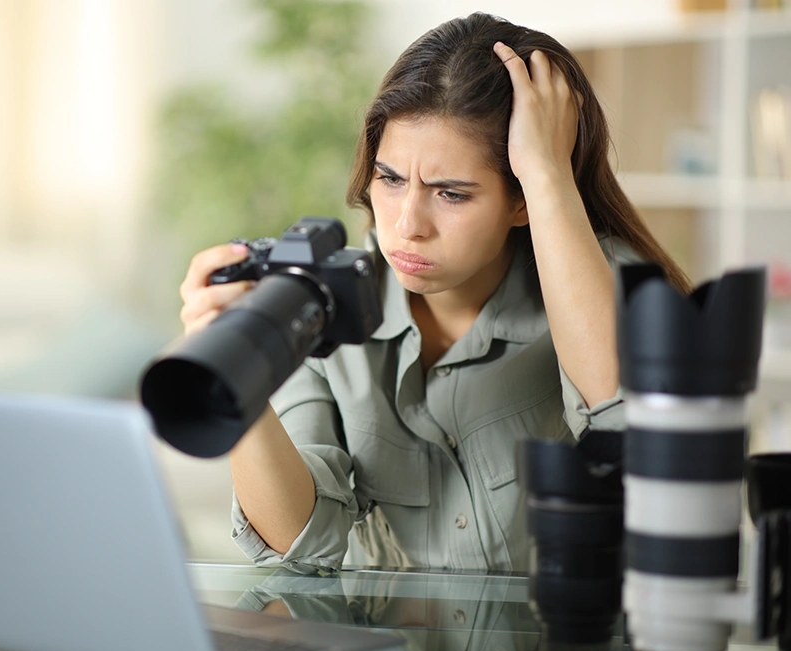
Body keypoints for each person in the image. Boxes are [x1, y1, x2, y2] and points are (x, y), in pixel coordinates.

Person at [178, 12, 690, 573]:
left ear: (521, 200)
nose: (408, 224)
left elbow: (633, 429)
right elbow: (301, 544)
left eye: (451, 193)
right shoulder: (322, 304)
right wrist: (239, 374)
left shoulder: (607, 283)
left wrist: (548, 174)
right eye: (391, 180)